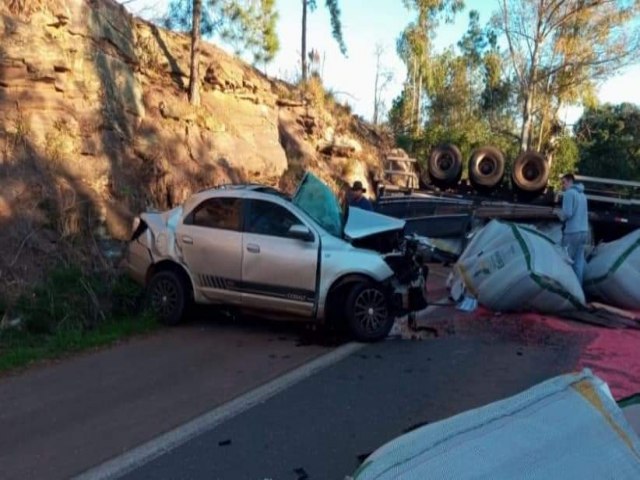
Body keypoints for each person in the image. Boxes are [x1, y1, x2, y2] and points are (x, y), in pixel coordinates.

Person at [555, 173, 589, 282]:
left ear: (570, 181)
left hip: (572, 232)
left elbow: (567, 213)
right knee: (579, 262)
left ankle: (566, 287)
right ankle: (579, 289)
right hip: (584, 231)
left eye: (564, 182)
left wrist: (557, 213)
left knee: (565, 260)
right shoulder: (583, 195)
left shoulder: (569, 194)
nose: (562, 185)